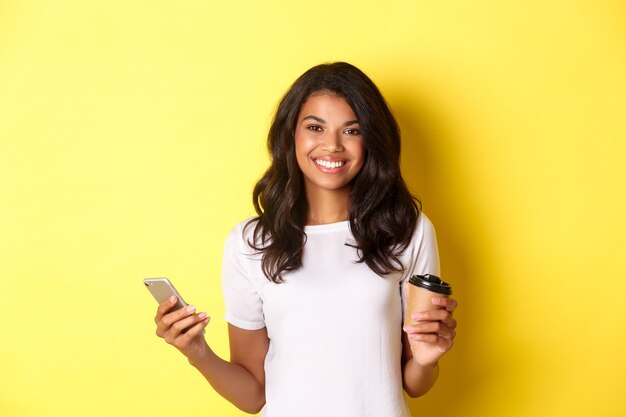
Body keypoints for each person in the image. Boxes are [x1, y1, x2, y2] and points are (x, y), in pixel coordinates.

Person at [153, 62, 458, 417]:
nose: (332, 146)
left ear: (371, 140)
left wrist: (425, 359)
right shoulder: (250, 243)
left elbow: (415, 383)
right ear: (291, 135)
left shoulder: (407, 231)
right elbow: (253, 396)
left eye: (352, 130)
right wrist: (197, 352)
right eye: (315, 127)